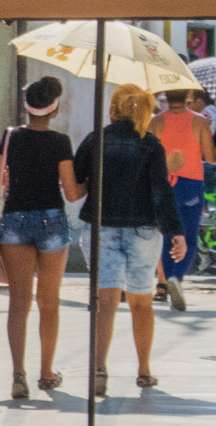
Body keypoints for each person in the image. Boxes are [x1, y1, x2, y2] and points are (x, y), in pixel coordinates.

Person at [73, 83, 188, 396]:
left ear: (113, 109)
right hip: (143, 230)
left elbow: (77, 181)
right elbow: (161, 192)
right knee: (141, 302)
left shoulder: (95, 140)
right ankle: (144, 371)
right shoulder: (150, 144)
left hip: (101, 226)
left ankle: (99, 367)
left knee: (105, 303)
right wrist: (176, 231)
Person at [0, 75, 83, 400]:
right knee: (49, 303)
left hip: (14, 222)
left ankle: (18, 375)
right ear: (53, 109)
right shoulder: (60, 142)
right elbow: (70, 191)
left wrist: (9, 176)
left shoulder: (10, 137)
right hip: (52, 221)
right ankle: (46, 373)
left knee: (18, 303)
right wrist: (89, 182)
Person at [157, 88, 216, 311]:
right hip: (191, 184)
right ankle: (177, 277)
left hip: (164, 184)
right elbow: (210, 157)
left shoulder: (155, 122)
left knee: (167, 236)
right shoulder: (199, 121)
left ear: (166, 97)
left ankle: (166, 278)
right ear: (189, 97)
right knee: (189, 236)